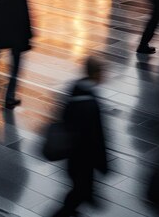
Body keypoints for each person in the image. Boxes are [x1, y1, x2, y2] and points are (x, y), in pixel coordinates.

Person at [51, 57, 108, 217]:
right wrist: (103, 163)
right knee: (79, 192)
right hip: (84, 158)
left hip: (73, 157)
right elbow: (97, 136)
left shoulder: (75, 89)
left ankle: (76, 207)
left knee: (80, 190)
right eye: (102, 72)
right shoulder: (90, 102)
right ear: (96, 74)